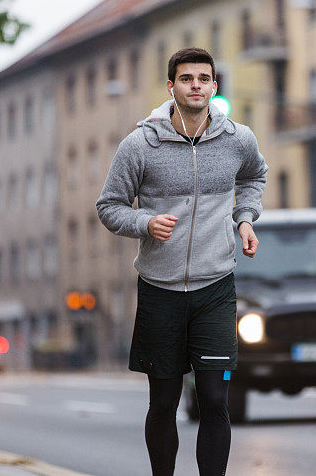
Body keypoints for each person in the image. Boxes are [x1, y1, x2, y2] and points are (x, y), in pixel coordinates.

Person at [96, 47, 268, 475]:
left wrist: (244, 219)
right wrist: (145, 222)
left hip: (215, 288)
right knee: (164, 403)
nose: (196, 86)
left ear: (214, 85)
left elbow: (253, 176)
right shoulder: (140, 145)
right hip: (160, 290)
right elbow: (109, 206)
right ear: (171, 86)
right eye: (187, 79)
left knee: (214, 399)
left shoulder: (237, 139)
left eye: (204, 79)